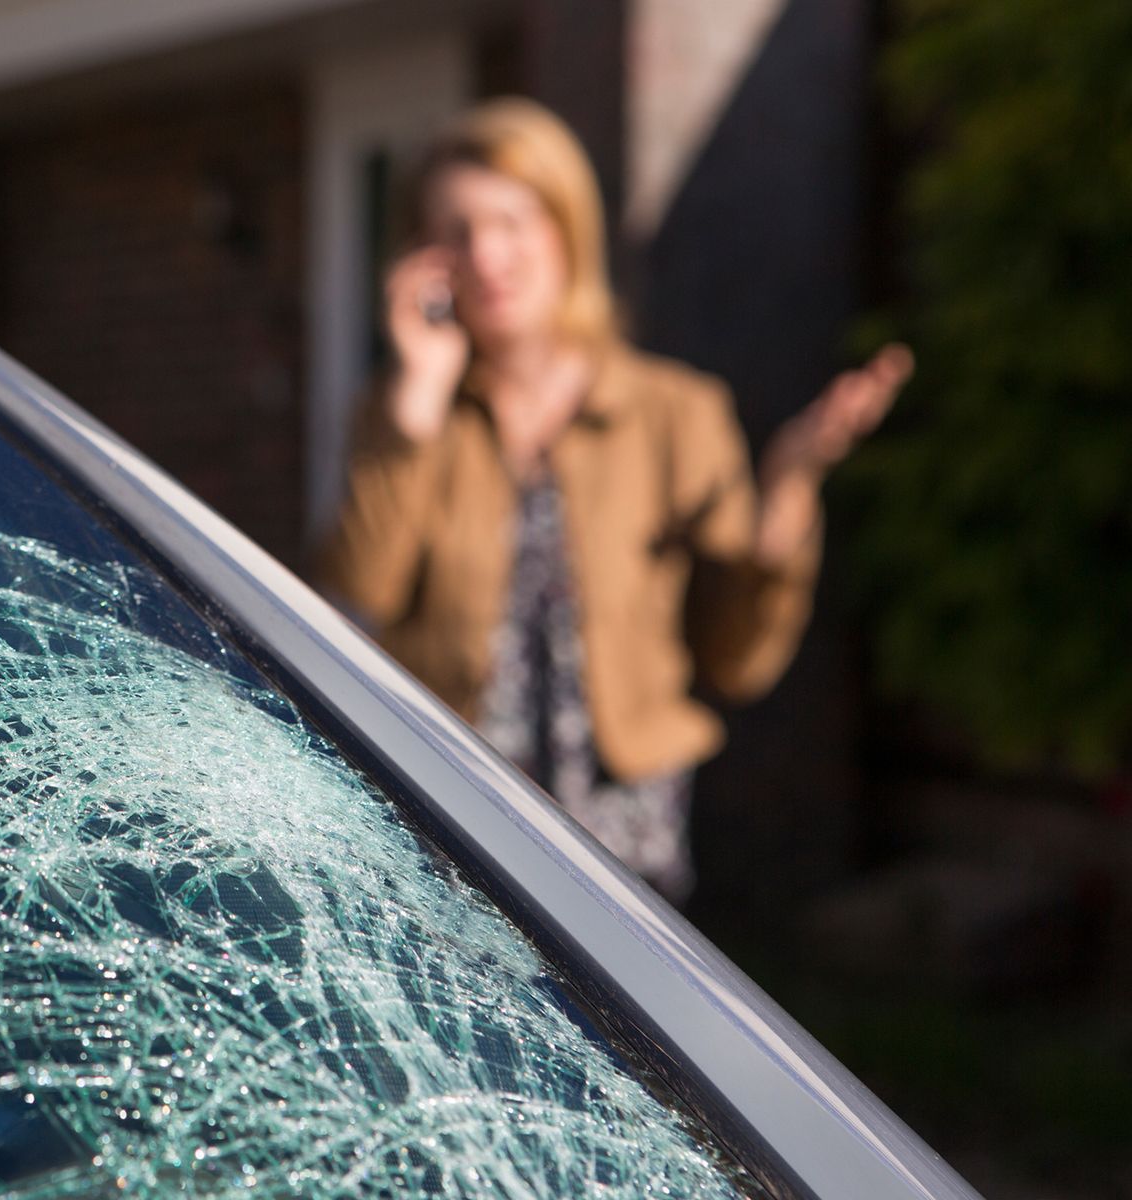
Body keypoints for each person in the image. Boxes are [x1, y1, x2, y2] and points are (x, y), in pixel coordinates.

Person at [313, 97, 911, 900]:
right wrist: (414, 408)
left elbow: (739, 657)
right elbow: (352, 606)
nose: (486, 255)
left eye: (513, 220)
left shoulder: (676, 412)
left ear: (566, 229)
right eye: (455, 230)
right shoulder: (403, 416)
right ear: (423, 257)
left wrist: (790, 486)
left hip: (627, 847)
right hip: (445, 828)